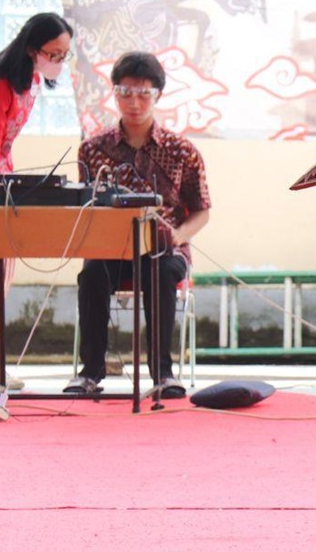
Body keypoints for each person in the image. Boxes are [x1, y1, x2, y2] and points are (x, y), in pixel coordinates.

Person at [64, 51, 211, 397]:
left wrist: (176, 236)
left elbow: (201, 210)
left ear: (158, 95)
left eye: (144, 94)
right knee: (92, 273)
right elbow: (89, 206)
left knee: (159, 271)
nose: (134, 102)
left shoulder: (182, 150)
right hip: (111, 249)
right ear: (114, 93)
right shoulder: (92, 149)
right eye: (126, 92)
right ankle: (90, 373)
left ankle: (163, 375)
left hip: (164, 250)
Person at [0, 12, 75, 391]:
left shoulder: (33, 82)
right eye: (53, 54)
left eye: (63, 56)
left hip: (3, 184)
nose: (57, 62)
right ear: (31, 48)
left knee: (0, 282)